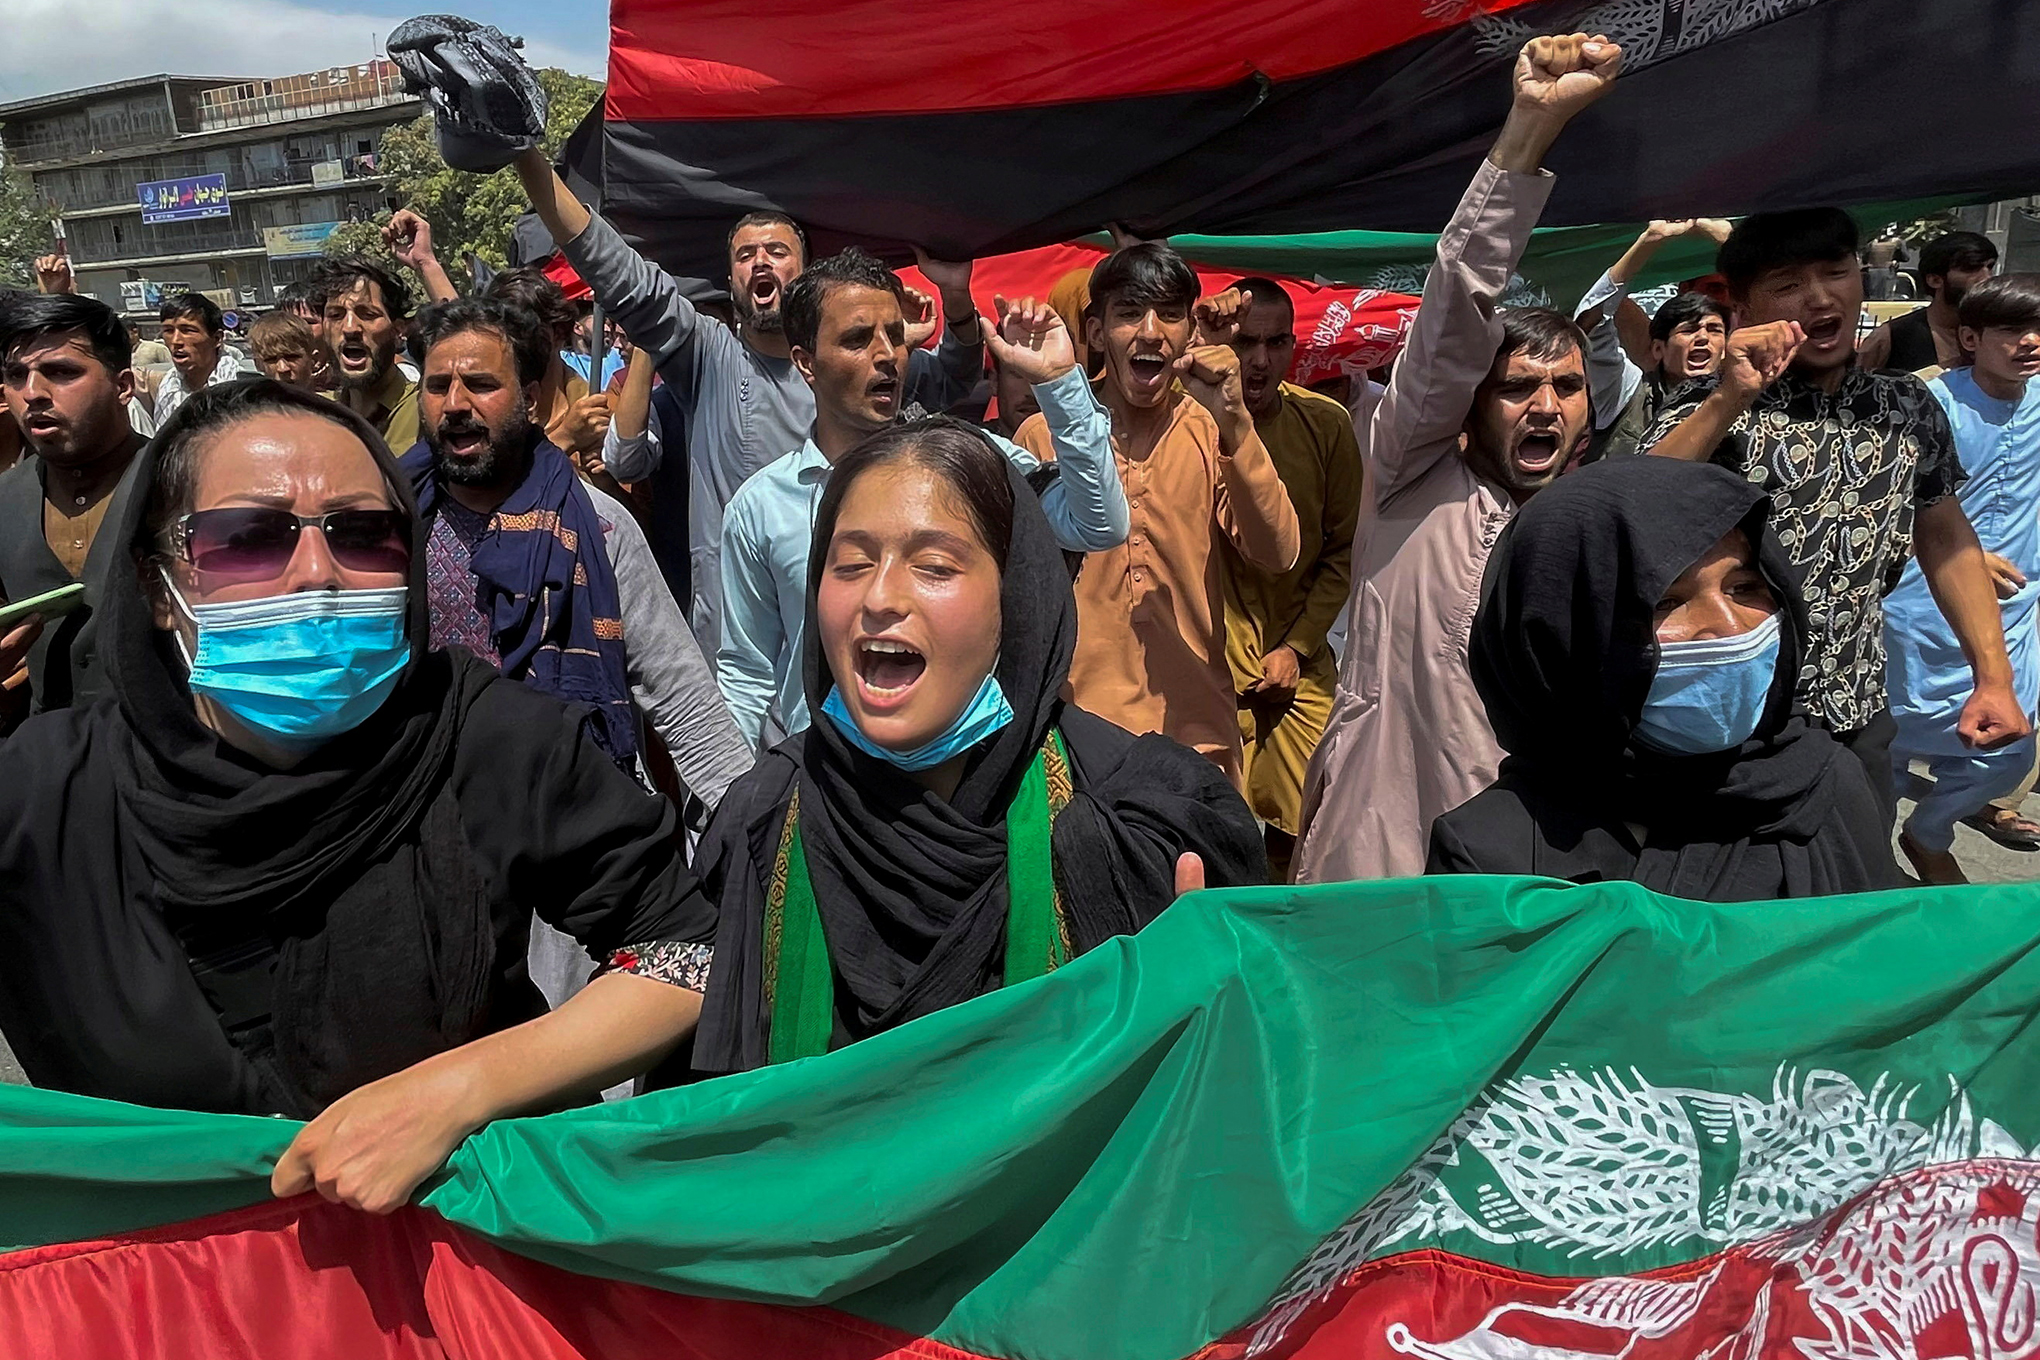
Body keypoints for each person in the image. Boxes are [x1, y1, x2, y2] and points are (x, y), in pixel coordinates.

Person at [0, 380, 717, 1215]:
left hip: (460, 1287)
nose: (318, 572)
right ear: (160, 586)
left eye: (365, 534)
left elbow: (689, 951)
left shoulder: (484, 739)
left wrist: (458, 1091)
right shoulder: (42, 793)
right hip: (170, 1303)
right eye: (248, 538)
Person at [691, 420, 1264, 1071]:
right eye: (849, 565)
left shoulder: (1143, 826)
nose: (880, 597)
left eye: (934, 567)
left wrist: (1200, 1016)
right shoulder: (761, 824)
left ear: (1015, 599)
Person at [1293, 33, 1621, 883]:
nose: (1545, 405)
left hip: (1527, 861)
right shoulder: (1412, 476)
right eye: (1518, 387)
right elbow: (1450, 313)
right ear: (1470, 409)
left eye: (1566, 386)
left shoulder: (1584, 526)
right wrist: (1526, 135)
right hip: (1381, 841)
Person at [512, 147, 987, 644]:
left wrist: (956, 298)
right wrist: (524, 153)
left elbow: (955, 377)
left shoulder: (856, 360)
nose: (760, 261)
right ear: (731, 280)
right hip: (740, 649)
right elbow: (613, 267)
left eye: (777, 252)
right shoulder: (707, 357)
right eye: (745, 255)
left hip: (855, 628)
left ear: (808, 277)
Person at [1640, 209, 2027, 816]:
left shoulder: (1906, 404)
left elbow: (1947, 537)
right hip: (1730, 714)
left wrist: (1994, 678)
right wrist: (1730, 397)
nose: (1820, 296)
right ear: (1741, 308)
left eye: (1835, 271)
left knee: (1854, 884)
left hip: (1859, 706)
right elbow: (1640, 505)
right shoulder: (1707, 406)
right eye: (1788, 283)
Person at [1429, 456, 1898, 899]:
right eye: (1665, 603)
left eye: (1744, 588)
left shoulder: (1825, 784)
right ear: (1566, 638)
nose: (1729, 627)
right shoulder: (1490, 855)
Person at [719, 251, 1126, 750]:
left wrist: (1061, 383)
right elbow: (746, 671)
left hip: (967, 777)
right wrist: (733, 804)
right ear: (806, 363)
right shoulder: (760, 508)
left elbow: (1099, 523)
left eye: (895, 335)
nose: (886, 354)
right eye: (856, 339)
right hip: (827, 788)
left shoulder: (972, 464)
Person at [399, 297, 752, 810]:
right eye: (437, 386)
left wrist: (757, 835)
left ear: (533, 402)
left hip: (575, 819)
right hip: (431, 817)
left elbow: (684, 701)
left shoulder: (600, 527)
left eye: (481, 384)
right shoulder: (390, 526)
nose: (455, 404)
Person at [1013, 245, 1299, 785]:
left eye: (1169, 315)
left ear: (1190, 332)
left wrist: (1236, 424)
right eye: (1128, 314)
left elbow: (1279, 552)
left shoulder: (1210, 424)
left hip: (1197, 737)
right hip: (1073, 738)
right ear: (1097, 334)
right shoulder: (1046, 436)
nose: (1150, 331)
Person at [1882, 274, 2040, 881]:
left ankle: (1927, 834)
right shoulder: (1928, 403)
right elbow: (1883, 497)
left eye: (2037, 330)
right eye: (2010, 330)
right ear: (1970, 337)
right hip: (1916, 605)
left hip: (2016, 610)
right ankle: (1869, 859)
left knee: (2007, 751)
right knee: (1890, 744)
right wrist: (1971, 558)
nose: (2028, 342)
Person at [1214, 276, 1362, 870]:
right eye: (1245, 343)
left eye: (1276, 344)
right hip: (1207, 671)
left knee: (1312, 831)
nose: (1259, 360)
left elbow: (1344, 550)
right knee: (1201, 840)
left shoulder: (1325, 425)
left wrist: (1297, 649)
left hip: (1297, 668)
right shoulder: (1186, 426)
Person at [0, 293, 150, 716]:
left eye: (61, 372)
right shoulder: (4, 499)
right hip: (48, 759)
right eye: (16, 375)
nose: (33, 393)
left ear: (123, 386)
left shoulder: (186, 482)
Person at [1571, 219, 1733, 460]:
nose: (1702, 338)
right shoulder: (1626, 394)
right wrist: (1649, 241)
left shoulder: (1741, 396)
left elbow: (1784, 313)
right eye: (1688, 330)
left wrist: (1730, 243)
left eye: (1714, 330)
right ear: (1658, 349)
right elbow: (1590, 327)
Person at [309, 256, 420, 453]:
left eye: (368, 314)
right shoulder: (317, 414)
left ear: (398, 330)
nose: (350, 328)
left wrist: (426, 263)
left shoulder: (423, 410)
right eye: (335, 315)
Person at [1859, 230, 1999, 374]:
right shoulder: (1891, 337)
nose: (1986, 278)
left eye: (1989, 267)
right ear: (1935, 280)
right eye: (1971, 268)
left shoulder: (1998, 333)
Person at [153, 292, 251, 423]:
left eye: (188, 330)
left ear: (217, 339)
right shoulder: (168, 387)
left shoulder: (241, 387)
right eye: (169, 331)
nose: (176, 341)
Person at [247, 310, 324, 391]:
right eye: (271, 359)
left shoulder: (332, 402)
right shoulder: (245, 402)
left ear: (314, 360)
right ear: (258, 364)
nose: (282, 368)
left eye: (291, 357)